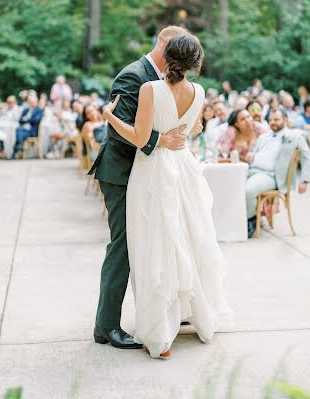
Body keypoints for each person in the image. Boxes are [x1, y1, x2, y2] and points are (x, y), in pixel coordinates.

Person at [101, 33, 232, 358]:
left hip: (154, 170)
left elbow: (139, 135)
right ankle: (187, 313)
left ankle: (161, 325)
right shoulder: (199, 91)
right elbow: (193, 129)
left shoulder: (151, 88)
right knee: (186, 239)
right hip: (185, 167)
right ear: (196, 64)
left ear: (166, 54)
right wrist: (179, 133)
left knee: (155, 246)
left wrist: (109, 117)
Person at [89, 26, 204, 351]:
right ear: (164, 45)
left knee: (161, 239)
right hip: (122, 171)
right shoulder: (133, 75)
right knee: (124, 244)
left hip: (153, 171)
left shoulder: (172, 81)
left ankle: (167, 309)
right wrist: (159, 139)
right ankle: (106, 325)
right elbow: (124, 131)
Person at [244, 107, 310, 237]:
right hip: (250, 170)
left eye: (276, 119)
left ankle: (250, 218)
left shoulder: (294, 136)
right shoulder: (263, 136)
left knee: (247, 190)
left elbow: (307, 157)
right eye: (270, 120)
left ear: (285, 120)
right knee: (228, 185)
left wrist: (305, 180)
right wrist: (251, 155)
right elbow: (256, 153)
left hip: (270, 176)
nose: (273, 122)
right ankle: (231, 221)